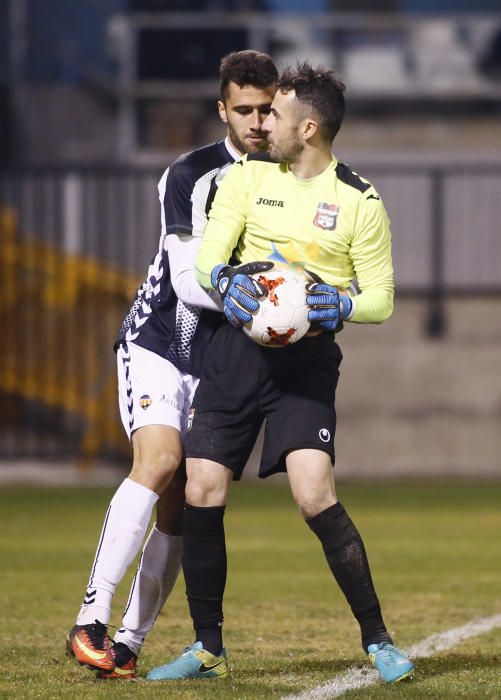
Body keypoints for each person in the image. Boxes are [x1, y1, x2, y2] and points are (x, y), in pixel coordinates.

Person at [147, 63, 416, 684]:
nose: (264, 122)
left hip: (306, 362)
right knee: (201, 487)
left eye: (278, 113)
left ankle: (378, 640)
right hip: (236, 355)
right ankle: (207, 647)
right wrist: (228, 282)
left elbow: (382, 297)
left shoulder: (360, 201)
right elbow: (210, 260)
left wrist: (345, 305)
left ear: (310, 127)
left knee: (312, 493)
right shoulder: (243, 179)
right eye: (260, 113)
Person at [65, 50, 278, 679]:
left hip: (221, 361)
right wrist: (258, 295)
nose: (258, 122)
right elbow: (187, 284)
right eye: (245, 110)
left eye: (268, 109)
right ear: (223, 110)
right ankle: (91, 618)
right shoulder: (190, 173)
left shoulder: (289, 184)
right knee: (157, 461)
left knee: (185, 504)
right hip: (160, 340)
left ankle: (128, 642)